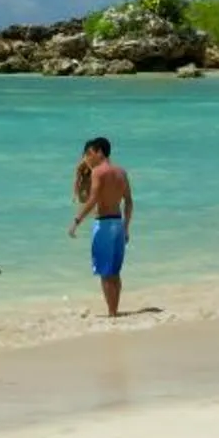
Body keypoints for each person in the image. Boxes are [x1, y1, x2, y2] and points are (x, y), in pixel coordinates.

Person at [68, 136, 133, 317]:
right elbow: (128, 202)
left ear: (99, 152)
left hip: (104, 224)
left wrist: (76, 221)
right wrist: (126, 227)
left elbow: (92, 199)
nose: (87, 158)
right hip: (118, 224)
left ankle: (112, 313)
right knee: (115, 271)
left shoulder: (98, 172)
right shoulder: (121, 172)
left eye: (89, 153)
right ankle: (115, 310)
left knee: (105, 272)